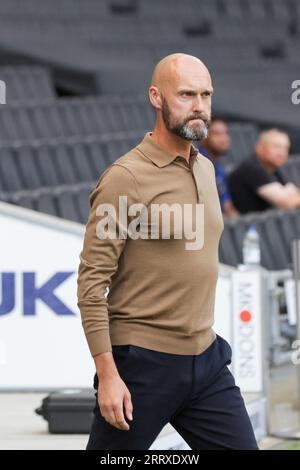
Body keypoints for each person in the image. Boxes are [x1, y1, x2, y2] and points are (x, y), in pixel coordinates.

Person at [77, 53, 258, 450]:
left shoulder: (206, 169)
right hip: (142, 364)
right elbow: (91, 285)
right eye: (187, 94)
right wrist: (108, 375)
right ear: (157, 97)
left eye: (206, 95)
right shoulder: (124, 178)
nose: (199, 106)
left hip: (207, 359)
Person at [228, 128, 300, 214]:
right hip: (247, 225)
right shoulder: (251, 168)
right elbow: (287, 203)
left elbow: (293, 192)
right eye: (276, 147)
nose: (282, 153)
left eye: (286, 148)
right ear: (260, 148)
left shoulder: (273, 168)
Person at [195, 117, 239, 218]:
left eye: (225, 133)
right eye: (216, 134)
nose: (223, 138)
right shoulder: (194, 163)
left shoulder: (219, 167)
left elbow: (226, 204)